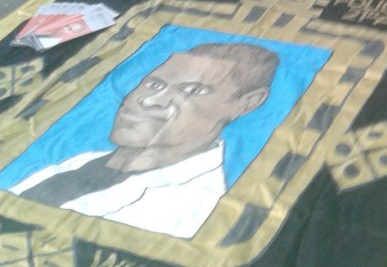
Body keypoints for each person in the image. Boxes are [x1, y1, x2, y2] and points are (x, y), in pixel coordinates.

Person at [10, 42, 278, 238]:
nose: (149, 100)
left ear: (247, 103)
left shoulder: (184, 209)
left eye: (192, 90)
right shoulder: (79, 163)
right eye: (154, 84)